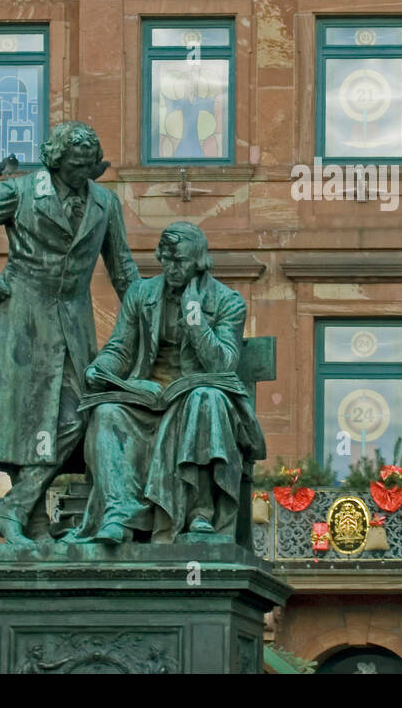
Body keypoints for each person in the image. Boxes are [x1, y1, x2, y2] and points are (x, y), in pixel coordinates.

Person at [0, 121, 139, 546]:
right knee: (25, 419)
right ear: (55, 160)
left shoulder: (105, 203)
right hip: (21, 318)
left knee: (78, 414)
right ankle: (31, 523)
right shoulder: (19, 191)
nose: (82, 173)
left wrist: (148, 314)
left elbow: (122, 268)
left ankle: (12, 511)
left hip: (74, 321)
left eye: (90, 165)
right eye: (75, 165)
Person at [66, 222, 265, 544]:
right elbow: (121, 347)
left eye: (181, 262)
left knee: (205, 398)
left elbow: (224, 364)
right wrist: (100, 368)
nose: (173, 268)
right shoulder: (141, 294)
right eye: (167, 260)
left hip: (196, 396)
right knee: (107, 412)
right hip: (147, 399)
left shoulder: (228, 301)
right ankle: (119, 516)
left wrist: (196, 321)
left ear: (199, 261)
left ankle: (199, 513)